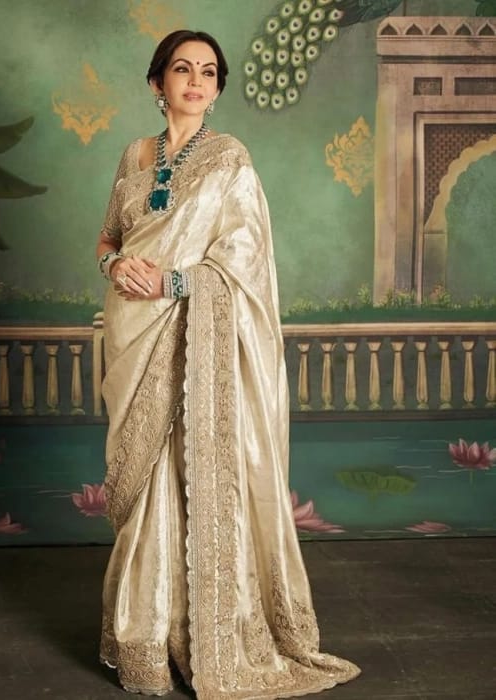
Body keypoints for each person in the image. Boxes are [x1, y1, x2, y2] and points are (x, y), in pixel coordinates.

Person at [95, 29, 360, 699]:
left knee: (188, 476)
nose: (194, 81)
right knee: (143, 484)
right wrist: (114, 264)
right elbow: (108, 237)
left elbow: (245, 259)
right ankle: (144, 639)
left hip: (194, 332)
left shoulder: (229, 160)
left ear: (216, 89)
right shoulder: (133, 155)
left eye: (208, 72)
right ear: (157, 83)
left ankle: (204, 637)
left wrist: (174, 283)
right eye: (182, 69)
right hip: (133, 331)